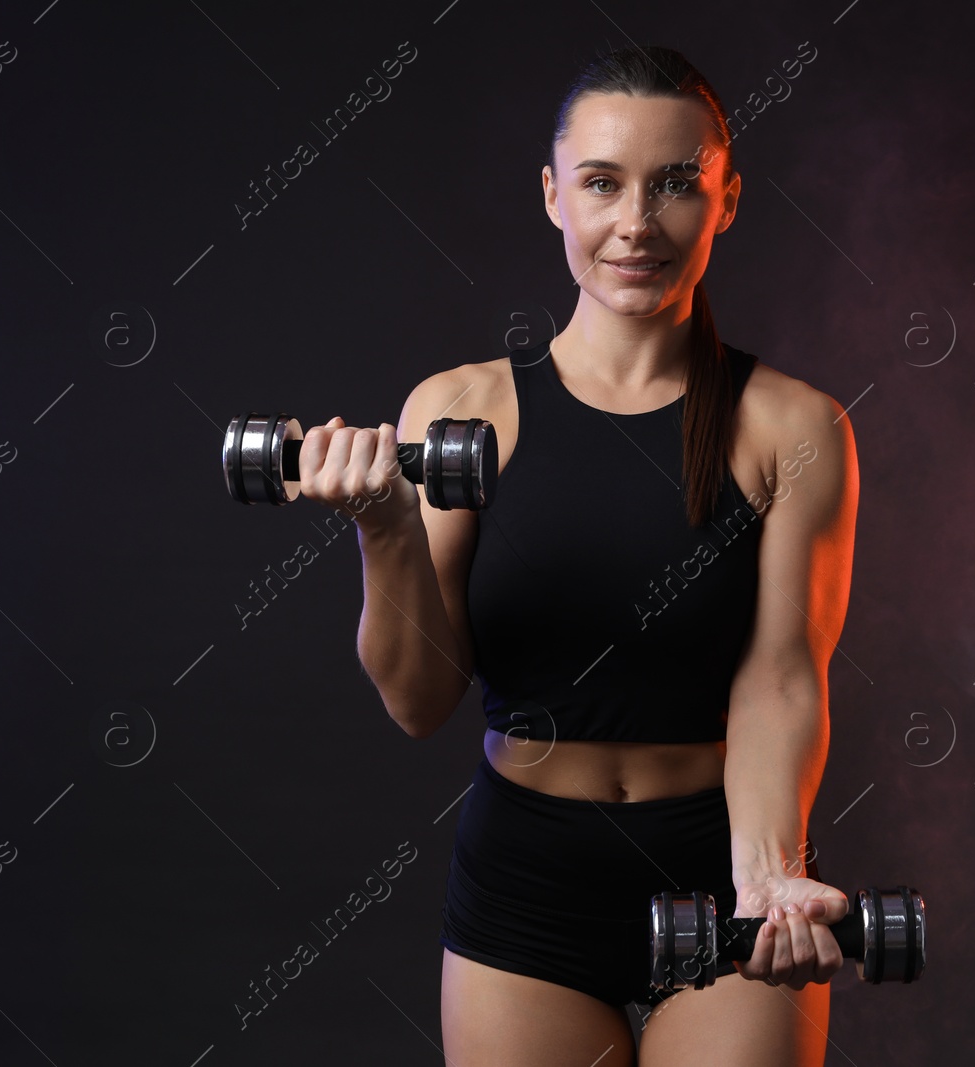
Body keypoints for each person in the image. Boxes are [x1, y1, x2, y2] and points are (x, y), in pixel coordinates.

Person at [297, 44, 859, 1066]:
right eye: (601, 182)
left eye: (677, 183)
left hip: (718, 873)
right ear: (555, 196)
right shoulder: (463, 412)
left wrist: (769, 869)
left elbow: (781, 676)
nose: (635, 223)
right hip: (528, 881)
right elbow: (420, 700)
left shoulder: (795, 426)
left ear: (725, 200)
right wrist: (382, 524)